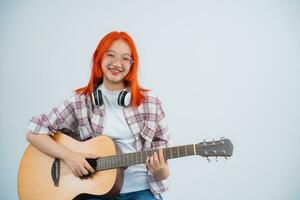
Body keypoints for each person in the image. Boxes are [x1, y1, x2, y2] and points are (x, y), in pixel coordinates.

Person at [26, 31, 171, 200]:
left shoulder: (150, 102)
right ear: (99, 58)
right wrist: (70, 157)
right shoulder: (80, 102)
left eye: (125, 58)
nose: (118, 63)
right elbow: (33, 133)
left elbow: (163, 163)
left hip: (140, 190)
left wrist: (161, 171)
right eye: (111, 55)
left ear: (132, 64)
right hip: (94, 191)